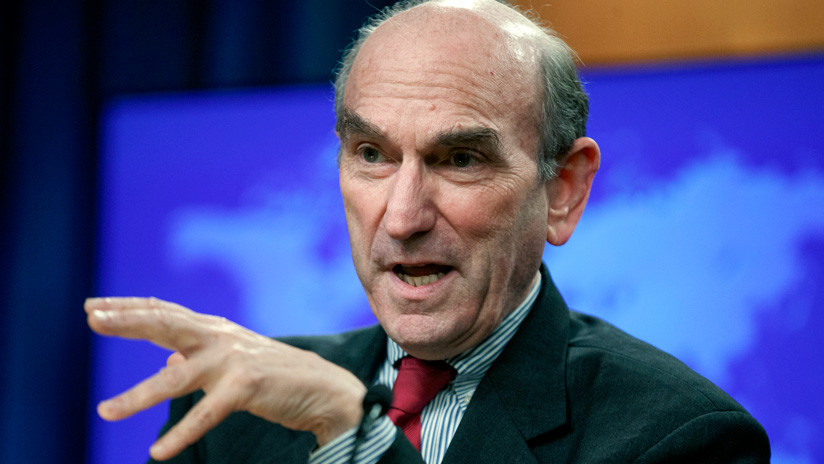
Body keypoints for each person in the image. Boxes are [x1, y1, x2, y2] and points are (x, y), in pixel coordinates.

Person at [85, 0, 771, 462]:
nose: (403, 217)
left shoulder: (680, 437)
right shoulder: (234, 414)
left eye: (460, 159)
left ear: (562, 190)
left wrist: (354, 435)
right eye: (372, 154)